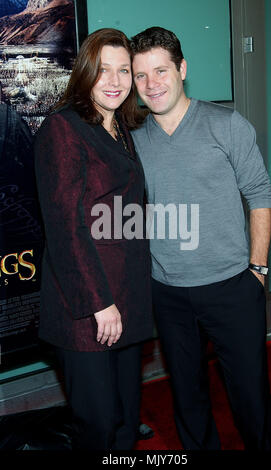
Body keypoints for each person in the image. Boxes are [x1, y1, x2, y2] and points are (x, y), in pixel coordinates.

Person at [130, 26, 271, 450]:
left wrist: (257, 269)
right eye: (140, 75)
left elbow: (260, 195)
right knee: (188, 398)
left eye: (160, 70)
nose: (152, 84)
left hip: (232, 287)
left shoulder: (226, 124)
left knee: (251, 398)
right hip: (168, 292)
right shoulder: (134, 139)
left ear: (182, 68)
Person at [34, 28, 153, 450]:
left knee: (124, 421)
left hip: (128, 300)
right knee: (98, 428)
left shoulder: (119, 127)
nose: (116, 81)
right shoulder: (62, 128)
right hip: (88, 309)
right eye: (104, 70)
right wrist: (99, 303)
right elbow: (66, 226)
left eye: (124, 70)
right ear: (85, 72)